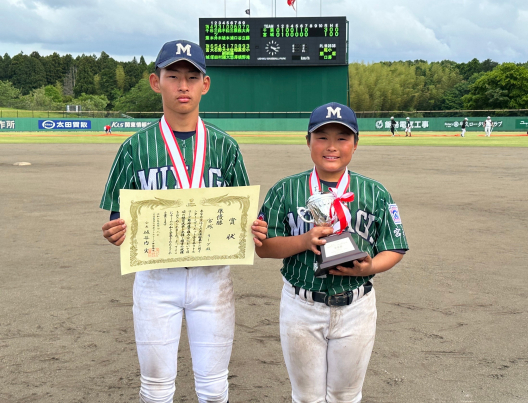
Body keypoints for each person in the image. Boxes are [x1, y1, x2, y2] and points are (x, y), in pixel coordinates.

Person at [99, 39, 267, 403]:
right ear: (155, 82)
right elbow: (118, 213)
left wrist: (254, 226)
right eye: (172, 75)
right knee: (156, 388)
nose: (183, 85)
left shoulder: (225, 146)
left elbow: (243, 214)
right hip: (156, 279)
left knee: (213, 386)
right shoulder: (134, 146)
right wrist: (117, 230)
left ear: (205, 84)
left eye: (192, 77)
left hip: (213, 279)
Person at [255, 102, 409, 403]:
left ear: (355, 143)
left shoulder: (375, 192)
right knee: (306, 397)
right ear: (308, 141)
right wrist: (304, 240)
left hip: (356, 308)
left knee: (346, 397)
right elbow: (264, 249)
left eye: (342, 137)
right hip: (301, 306)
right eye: (322, 136)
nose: (332, 146)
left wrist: (369, 268)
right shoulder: (286, 190)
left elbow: (395, 246)